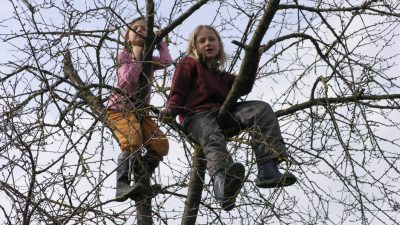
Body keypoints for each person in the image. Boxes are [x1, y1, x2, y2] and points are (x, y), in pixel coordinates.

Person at [160, 25, 297, 211]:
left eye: (211, 39)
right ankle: (222, 185)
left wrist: (254, 57)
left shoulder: (222, 76)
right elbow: (178, 92)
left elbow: (244, 87)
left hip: (223, 116)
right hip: (196, 117)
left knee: (261, 109)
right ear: (194, 47)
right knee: (212, 137)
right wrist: (169, 111)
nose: (207, 43)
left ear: (219, 45)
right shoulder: (188, 64)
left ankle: (268, 169)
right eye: (202, 41)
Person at [106, 17, 172, 202]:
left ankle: (143, 178)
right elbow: (128, 81)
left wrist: (161, 43)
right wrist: (137, 56)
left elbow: (167, 62)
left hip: (140, 112)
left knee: (160, 143)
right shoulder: (124, 56)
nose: (140, 30)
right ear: (127, 37)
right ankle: (122, 185)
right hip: (120, 109)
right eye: (134, 28)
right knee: (132, 140)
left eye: (144, 28)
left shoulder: (150, 60)